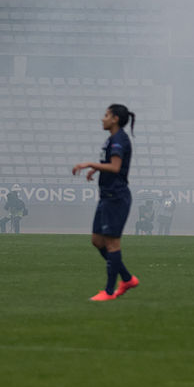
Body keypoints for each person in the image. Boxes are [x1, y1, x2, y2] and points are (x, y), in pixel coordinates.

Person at [72, 104, 140, 302]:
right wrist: (98, 169)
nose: (103, 118)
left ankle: (109, 292)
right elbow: (110, 165)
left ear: (115, 119)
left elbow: (116, 167)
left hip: (116, 197)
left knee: (111, 244)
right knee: (97, 241)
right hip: (107, 196)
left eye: (106, 115)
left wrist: (90, 164)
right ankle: (127, 278)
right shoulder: (111, 139)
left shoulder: (119, 139)